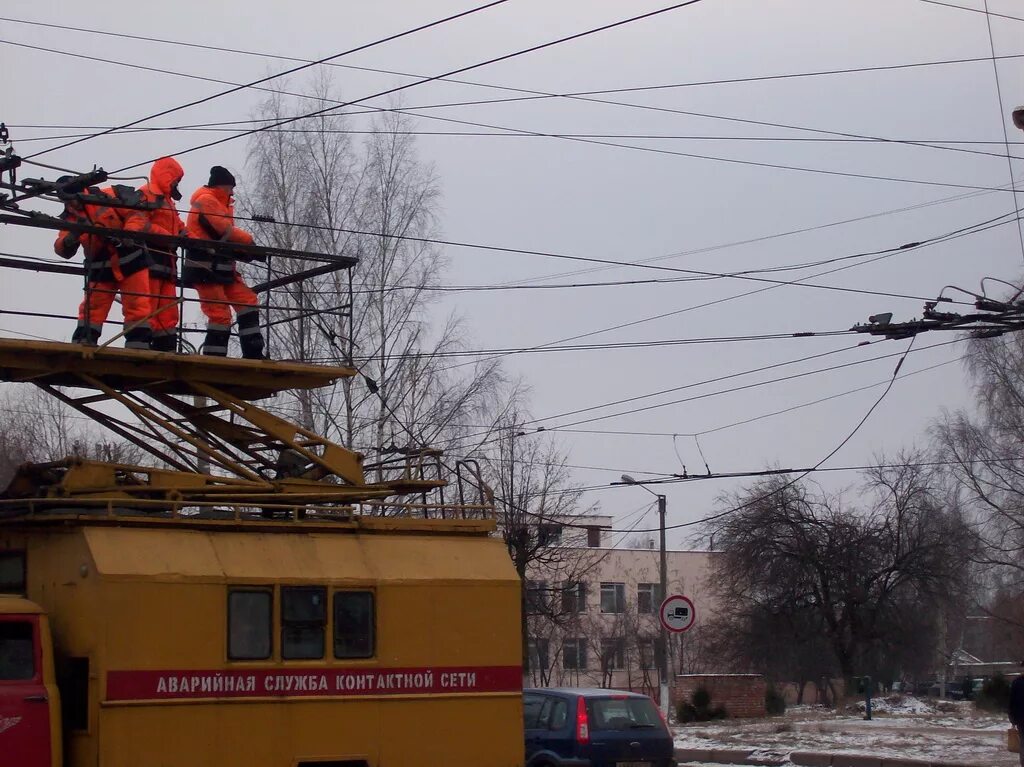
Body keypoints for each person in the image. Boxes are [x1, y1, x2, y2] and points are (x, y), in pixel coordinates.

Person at [53, 179, 153, 349]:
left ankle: (139, 347)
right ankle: (83, 345)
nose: (72, 204)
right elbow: (61, 247)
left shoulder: (109, 195)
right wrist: (73, 237)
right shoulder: (71, 218)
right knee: (92, 308)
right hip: (101, 267)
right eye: (68, 202)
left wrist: (129, 233)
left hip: (131, 261)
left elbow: (136, 214)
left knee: (138, 305)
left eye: (73, 200)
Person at [183, 166, 266, 359]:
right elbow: (224, 230)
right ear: (223, 186)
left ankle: (253, 353)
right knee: (219, 313)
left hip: (222, 268)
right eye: (230, 188)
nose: (233, 192)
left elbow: (224, 237)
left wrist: (245, 252)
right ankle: (214, 357)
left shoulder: (219, 204)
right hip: (204, 268)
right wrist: (249, 244)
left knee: (247, 300)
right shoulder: (207, 201)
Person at [137, 157, 187, 352]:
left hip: (167, 263)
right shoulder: (145, 194)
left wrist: (186, 235)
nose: (177, 183)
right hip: (150, 260)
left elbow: (177, 225)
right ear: (167, 176)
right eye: (175, 179)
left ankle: (165, 348)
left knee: (167, 310)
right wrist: (170, 237)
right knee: (147, 306)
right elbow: (141, 224)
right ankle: (142, 347)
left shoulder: (167, 201)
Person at [1010, 664, 1024, 765]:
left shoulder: (1017, 682)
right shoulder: (1017, 683)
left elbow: (1012, 703)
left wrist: (1013, 719)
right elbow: (1012, 702)